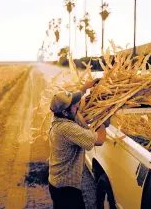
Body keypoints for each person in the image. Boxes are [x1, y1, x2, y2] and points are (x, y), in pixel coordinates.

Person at [48, 79, 111, 209]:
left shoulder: (59, 116)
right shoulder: (67, 129)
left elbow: (77, 97)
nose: (77, 105)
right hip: (66, 188)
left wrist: (87, 86)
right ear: (66, 112)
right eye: (74, 105)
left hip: (57, 183)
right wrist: (103, 119)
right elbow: (99, 140)